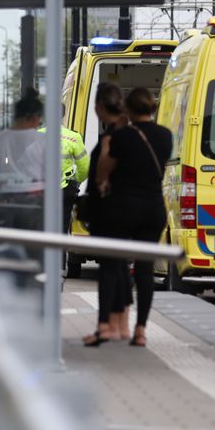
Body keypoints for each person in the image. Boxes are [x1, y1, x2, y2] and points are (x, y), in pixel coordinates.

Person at [94, 88, 173, 348]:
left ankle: (107, 324)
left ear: (128, 108)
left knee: (113, 264)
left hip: (123, 207)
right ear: (151, 108)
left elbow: (103, 172)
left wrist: (107, 148)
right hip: (153, 208)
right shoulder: (165, 136)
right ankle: (140, 330)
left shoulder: (122, 137)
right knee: (145, 270)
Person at [82, 82, 133, 346]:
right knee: (121, 267)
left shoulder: (111, 139)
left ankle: (105, 326)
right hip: (127, 210)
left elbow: (102, 175)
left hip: (109, 209)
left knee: (109, 269)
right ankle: (121, 324)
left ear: (100, 107)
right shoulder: (134, 135)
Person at [0, 88, 45, 232]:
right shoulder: (43, 140)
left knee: (7, 244)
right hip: (34, 201)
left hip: (4, 200)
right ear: (35, 118)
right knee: (33, 246)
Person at [38, 116, 90, 232]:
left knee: (41, 225)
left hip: (41, 189)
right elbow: (85, 167)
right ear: (63, 115)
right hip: (65, 189)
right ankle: (59, 248)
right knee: (62, 225)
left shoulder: (36, 135)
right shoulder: (74, 137)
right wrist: (76, 181)